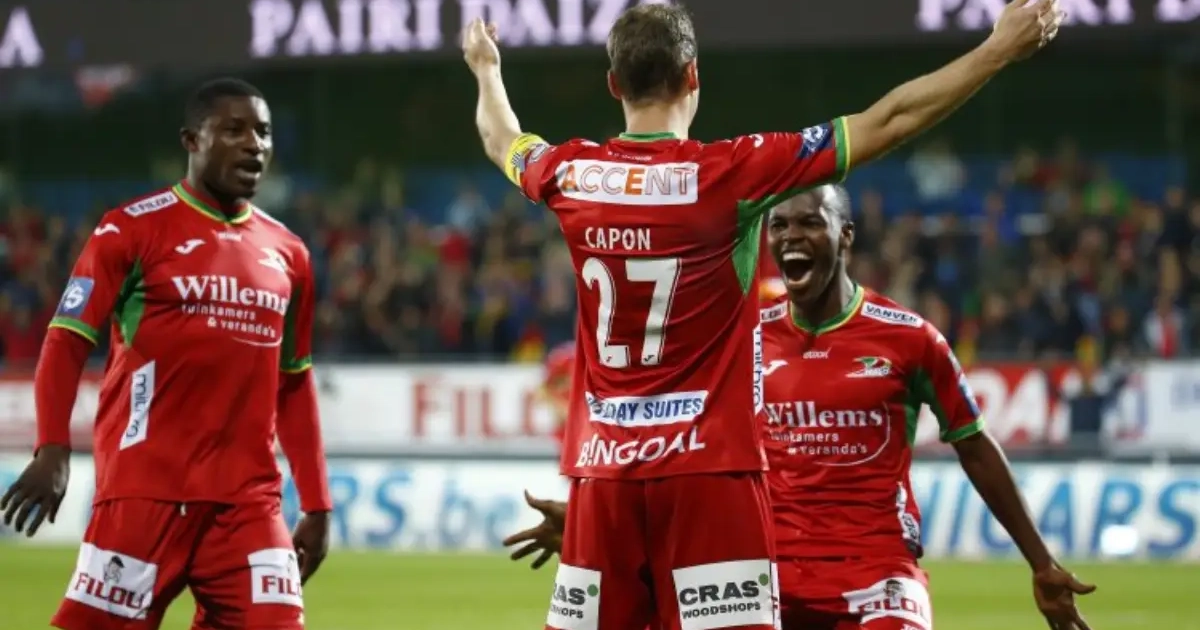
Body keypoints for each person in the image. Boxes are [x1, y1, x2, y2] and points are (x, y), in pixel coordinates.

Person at [462, 0, 1062, 627]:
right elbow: (890, 119)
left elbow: (499, 137)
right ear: (693, 75)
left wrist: (485, 69)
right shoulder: (732, 173)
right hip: (711, 477)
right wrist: (997, 50)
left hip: (602, 478)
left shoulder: (569, 173)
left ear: (614, 84)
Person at [505, 188, 1097, 630]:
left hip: (877, 574)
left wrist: (1041, 563)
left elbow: (975, 446)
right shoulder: (739, 342)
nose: (791, 236)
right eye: (780, 225)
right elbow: (676, 447)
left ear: (846, 235)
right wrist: (594, 524)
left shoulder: (910, 339)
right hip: (760, 574)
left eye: (811, 222)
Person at [0, 78, 332, 630]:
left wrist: (317, 503)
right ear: (191, 140)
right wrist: (52, 448)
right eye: (234, 130)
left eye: (264, 132)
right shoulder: (131, 229)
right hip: (145, 495)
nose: (254, 145)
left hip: (248, 505)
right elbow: (65, 340)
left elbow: (294, 381)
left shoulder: (290, 254)